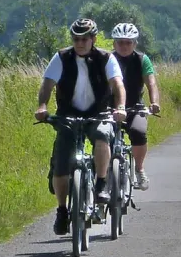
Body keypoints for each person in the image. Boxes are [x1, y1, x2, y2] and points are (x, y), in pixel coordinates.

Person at [35, 18, 127, 236]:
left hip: (99, 112)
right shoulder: (61, 57)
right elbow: (47, 84)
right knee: (61, 163)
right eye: (76, 39)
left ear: (93, 39)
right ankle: (62, 210)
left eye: (84, 39)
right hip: (68, 115)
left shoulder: (106, 58)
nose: (80, 43)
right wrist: (42, 106)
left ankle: (102, 183)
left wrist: (121, 106)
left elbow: (117, 84)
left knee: (103, 135)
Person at [110, 22, 161, 190]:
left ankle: (139, 169)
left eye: (128, 42)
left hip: (134, 107)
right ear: (114, 43)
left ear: (135, 44)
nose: (124, 46)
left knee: (139, 132)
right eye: (120, 42)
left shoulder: (141, 59)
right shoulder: (107, 60)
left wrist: (154, 102)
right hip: (109, 108)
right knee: (100, 137)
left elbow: (151, 83)